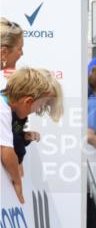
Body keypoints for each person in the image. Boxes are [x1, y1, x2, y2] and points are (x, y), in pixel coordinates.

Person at [1, 68, 63, 202]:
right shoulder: (2, 109)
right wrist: (17, 181)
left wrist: (23, 137)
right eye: (40, 105)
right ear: (28, 101)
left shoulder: (9, 107)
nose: (38, 111)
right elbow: (6, 152)